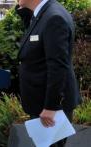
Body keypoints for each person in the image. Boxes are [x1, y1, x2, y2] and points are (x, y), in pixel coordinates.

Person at [17, 0, 82, 146]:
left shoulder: (54, 17)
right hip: (42, 103)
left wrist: (51, 106)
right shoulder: (42, 13)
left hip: (50, 108)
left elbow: (58, 66)